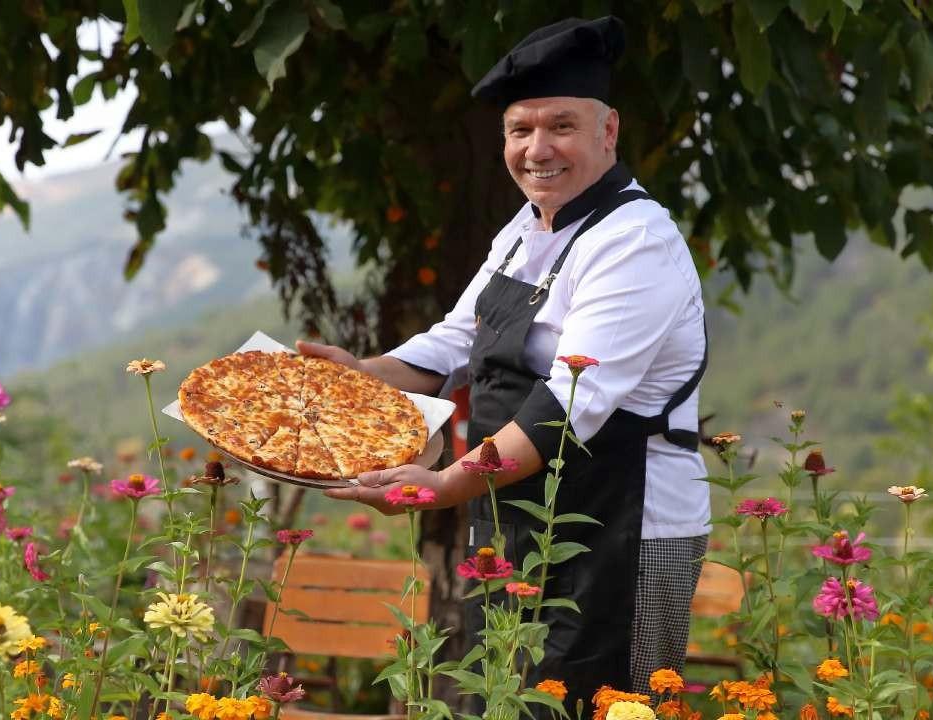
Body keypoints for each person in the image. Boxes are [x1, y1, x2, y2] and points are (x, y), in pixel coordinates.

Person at [300, 15, 711, 710]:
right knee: (500, 697)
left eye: (561, 126)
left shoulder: (636, 242)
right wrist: (360, 375)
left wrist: (441, 486)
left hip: (623, 531)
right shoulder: (528, 227)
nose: (537, 149)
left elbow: (564, 410)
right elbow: (458, 341)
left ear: (608, 131)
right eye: (520, 131)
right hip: (517, 513)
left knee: (601, 705)